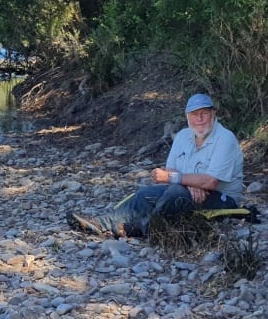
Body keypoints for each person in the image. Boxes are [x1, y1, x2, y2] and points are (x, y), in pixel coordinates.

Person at [68, 93, 244, 237]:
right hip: (188, 190)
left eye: (204, 113)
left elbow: (210, 182)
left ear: (213, 114)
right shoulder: (183, 136)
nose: (199, 119)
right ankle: (101, 223)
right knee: (146, 193)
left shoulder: (225, 139)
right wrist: (190, 183)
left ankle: (140, 228)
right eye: (194, 114)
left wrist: (181, 180)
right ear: (187, 116)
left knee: (175, 194)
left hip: (222, 199)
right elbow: (171, 169)